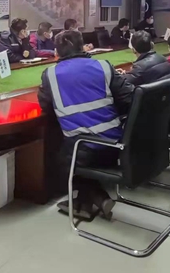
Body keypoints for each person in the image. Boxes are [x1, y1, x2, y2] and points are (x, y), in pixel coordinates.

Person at [38, 30, 134, 220]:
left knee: (59, 158)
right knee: (73, 149)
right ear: (83, 47)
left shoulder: (50, 74)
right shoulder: (104, 66)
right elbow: (127, 98)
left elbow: (46, 106)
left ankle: (96, 196)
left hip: (84, 149)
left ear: (57, 52)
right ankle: (87, 202)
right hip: (117, 144)